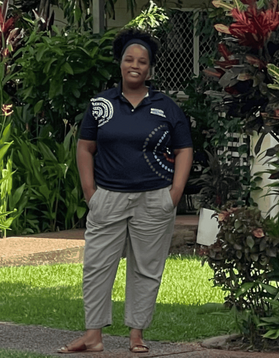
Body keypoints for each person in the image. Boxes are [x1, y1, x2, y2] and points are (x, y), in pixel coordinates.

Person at [58, 28, 193, 354]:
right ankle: (93, 336)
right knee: (96, 265)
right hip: (109, 198)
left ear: (150, 68)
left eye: (142, 61)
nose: (135, 65)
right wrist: (91, 192)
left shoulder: (166, 106)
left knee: (146, 268)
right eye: (129, 59)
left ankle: (136, 335)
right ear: (120, 63)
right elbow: (85, 147)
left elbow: (184, 149)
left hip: (155, 199)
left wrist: (174, 194)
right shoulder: (102, 104)